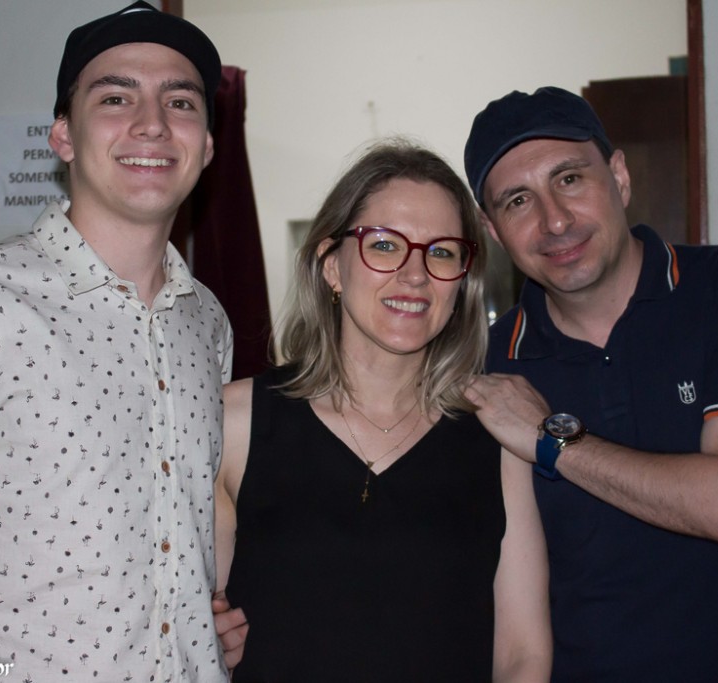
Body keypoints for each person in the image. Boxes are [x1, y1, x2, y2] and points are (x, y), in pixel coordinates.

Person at [0, 3, 235, 681]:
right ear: (63, 136)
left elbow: (181, 533)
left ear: (205, 145)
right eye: (115, 97)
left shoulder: (206, 322)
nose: (152, 122)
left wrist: (199, 627)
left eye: (180, 102)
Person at [462, 86, 718, 682]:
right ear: (493, 231)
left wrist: (552, 440)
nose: (555, 220)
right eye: (518, 200)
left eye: (570, 179)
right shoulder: (490, 368)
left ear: (620, 177)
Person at [213, 140, 551, 682]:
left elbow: (523, 656)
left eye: (441, 252)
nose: (416, 275)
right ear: (332, 266)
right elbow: (191, 622)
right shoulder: (235, 422)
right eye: (386, 245)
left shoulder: (495, 434)